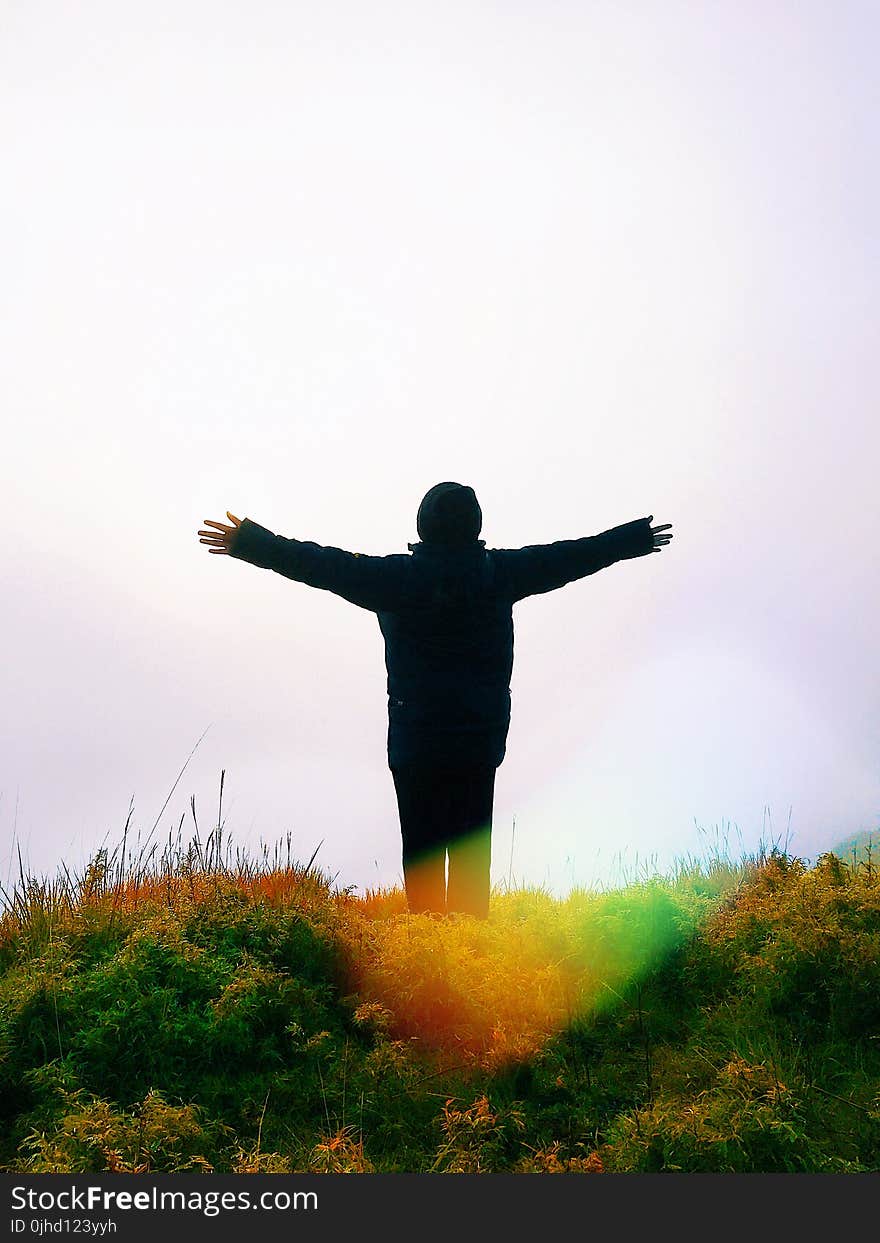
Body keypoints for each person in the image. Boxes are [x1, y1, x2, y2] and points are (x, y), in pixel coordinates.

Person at [198, 483, 672, 918]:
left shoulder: (395, 578)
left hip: (416, 743)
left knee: (423, 870)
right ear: (476, 527)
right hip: (477, 741)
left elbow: (320, 564)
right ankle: (470, 976)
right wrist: (632, 538)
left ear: (422, 526)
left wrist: (249, 543)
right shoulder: (501, 573)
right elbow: (574, 556)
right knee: (469, 876)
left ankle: (429, 974)